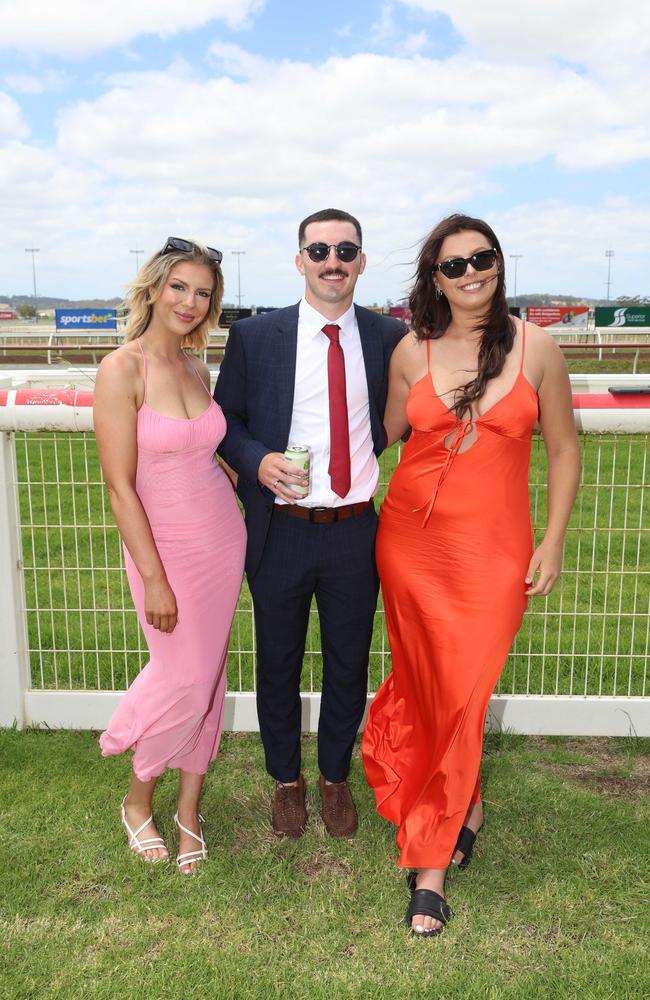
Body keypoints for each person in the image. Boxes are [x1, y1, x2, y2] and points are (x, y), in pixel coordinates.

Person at [362, 214, 580, 936]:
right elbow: (382, 437)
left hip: (494, 554)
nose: (471, 273)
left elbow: (564, 451)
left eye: (481, 259)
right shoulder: (409, 351)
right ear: (435, 278)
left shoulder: (537, 347)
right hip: (410, 547)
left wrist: (550, 541)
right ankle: (451, 828)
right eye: (454, 265)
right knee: (436, 691)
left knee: (464, 688)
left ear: (498, 263)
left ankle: (430, 860)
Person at [215, 209, 405, 839]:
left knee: (349, 663)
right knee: (279, 662)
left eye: (346, 250)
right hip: (281, 529)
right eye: (319, 250)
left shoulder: (387, 338)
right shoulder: (258, 338)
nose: (333, 261)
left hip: (355, 528)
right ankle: (286, 783)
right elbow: (227, 424)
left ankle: (333, 777)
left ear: (361, 260)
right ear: (299, 260)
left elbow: (395, 420)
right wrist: (258, 460)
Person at [95, 237, 246, 873]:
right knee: (182, 676)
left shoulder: (195, 367)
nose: (190, 301)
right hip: (164, 551)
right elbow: (120, 485)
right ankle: (136, 798)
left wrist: (240, 475)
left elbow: (196, 449)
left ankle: (188, 811)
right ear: (154, 288)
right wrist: (154, 579)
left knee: (207, 681)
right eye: (179, 287)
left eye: (204, 292)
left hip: (221, 539)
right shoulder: (120, 370)